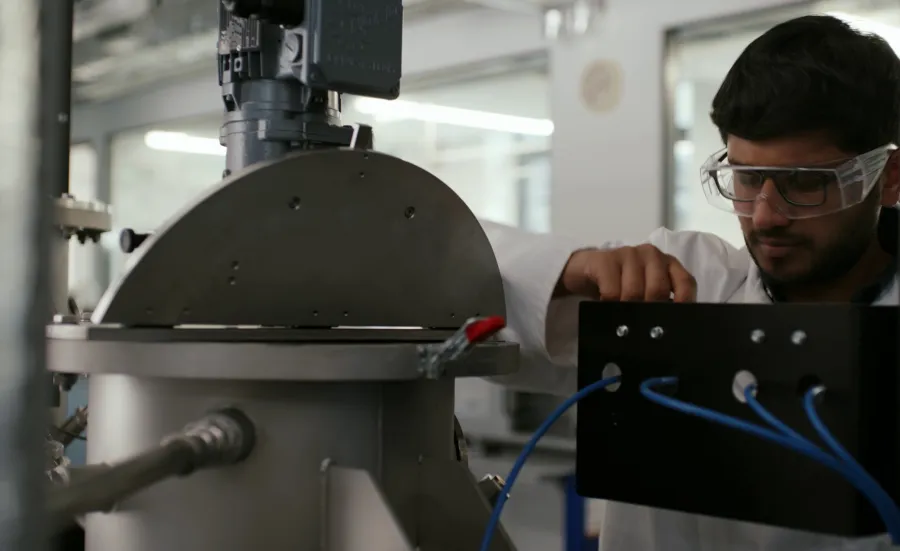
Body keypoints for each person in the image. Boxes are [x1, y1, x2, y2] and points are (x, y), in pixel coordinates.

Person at [482, 14, 900, 551]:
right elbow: (456, 280)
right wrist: (569, 269)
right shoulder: (684, 285)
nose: (766, 215)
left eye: (805, 184)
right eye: (746, 177)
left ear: (887, 178)